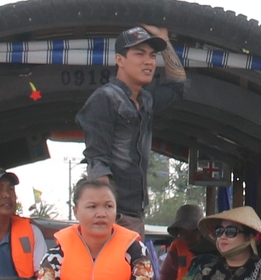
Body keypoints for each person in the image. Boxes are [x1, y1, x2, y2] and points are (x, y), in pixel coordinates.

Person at [78, 25, 188, 233]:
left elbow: (178, 86)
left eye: (152, 56)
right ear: (120, 60)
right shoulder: (105, 99)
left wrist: (166, 41)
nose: (148, 62)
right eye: (139, 54)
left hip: (134, 214)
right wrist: (107, 217)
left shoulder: (145, 99)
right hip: (116, 217)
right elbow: (98, 161)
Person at [36, 176, 155, 280]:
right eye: (92, 207)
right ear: (76, 211)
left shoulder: (136, 251)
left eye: (108, 206)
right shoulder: (56, 256)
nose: (101, 214)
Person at [159, 202, 205, 280]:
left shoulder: (214, 246)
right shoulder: (177, 246)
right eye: (180, 231)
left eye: (187, 230)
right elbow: (166, 276)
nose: (183, 235)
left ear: (199, 230)